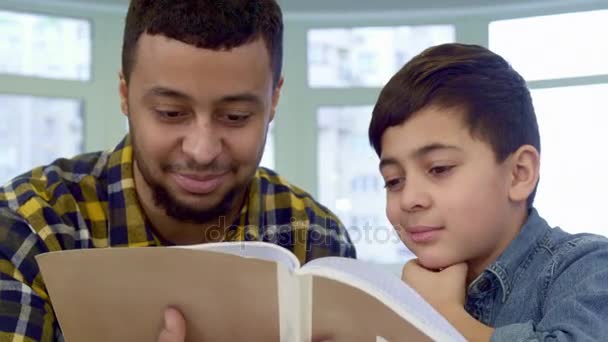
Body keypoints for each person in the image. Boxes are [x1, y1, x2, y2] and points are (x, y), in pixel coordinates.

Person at [0, 1, 356, 341]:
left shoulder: (315, 237)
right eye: (171, 112)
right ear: (124, 93)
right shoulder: (32, 226)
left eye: (235, 117)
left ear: (273, 100)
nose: (202, 151)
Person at [368, 43, 608, 341]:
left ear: (519, 174)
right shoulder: (406, 296)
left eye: (439, 168)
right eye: (393, 181)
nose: (409, 199)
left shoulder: (590, 267)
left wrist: (444, 317)